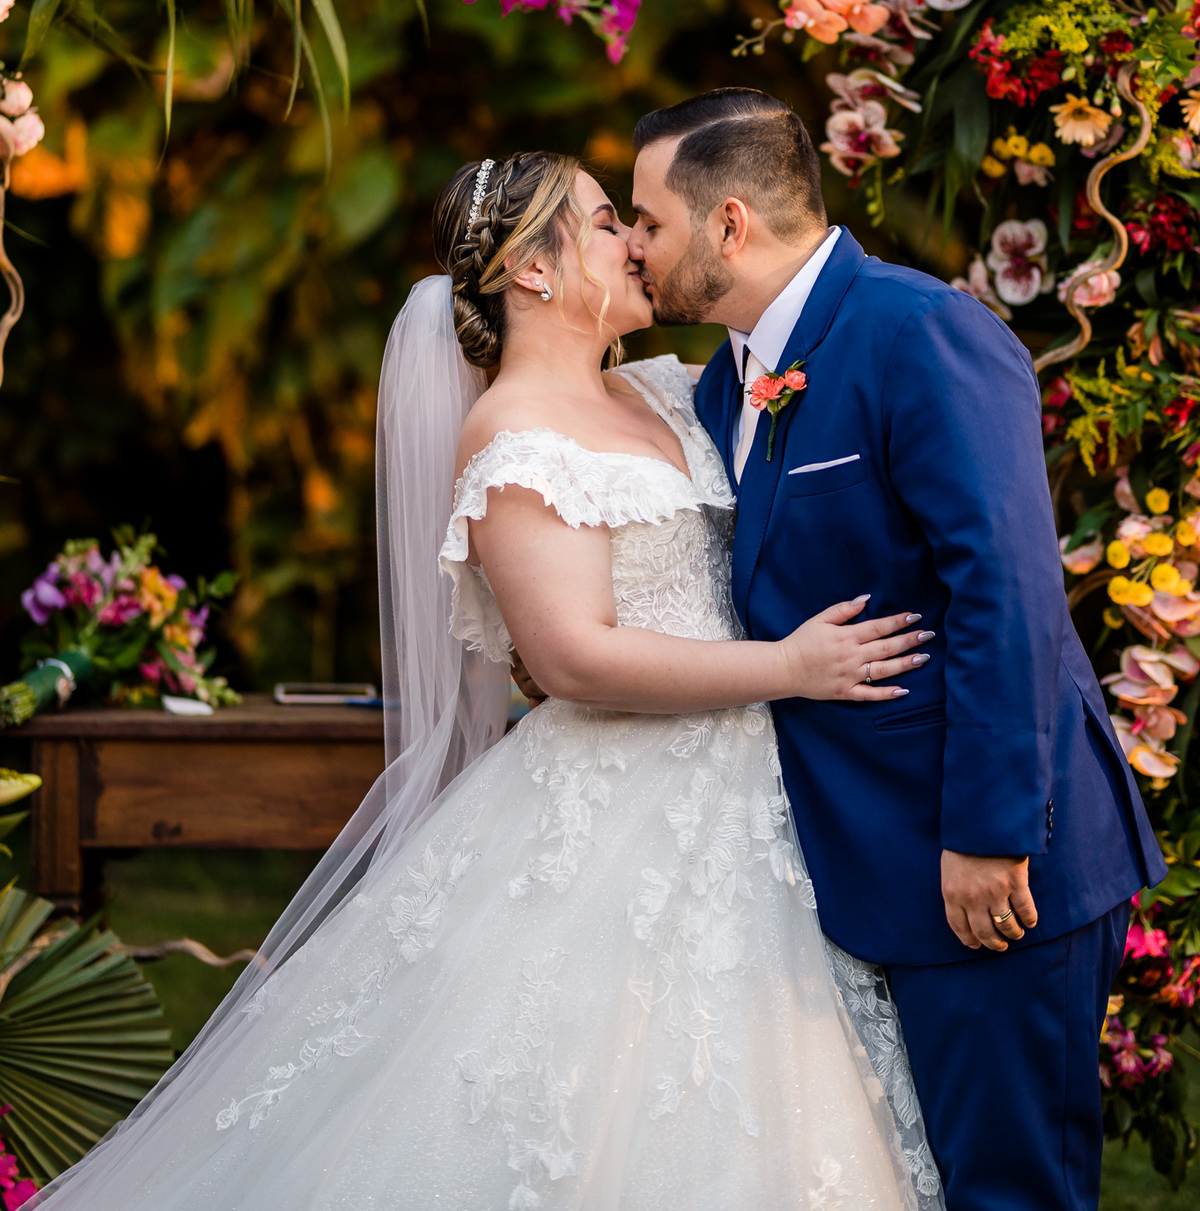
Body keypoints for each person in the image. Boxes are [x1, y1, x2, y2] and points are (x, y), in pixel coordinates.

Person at [32, 149, 942, 1211]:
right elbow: (569, 656)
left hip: (749, 791)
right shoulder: (514, 434)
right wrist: (787, 667)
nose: (638, 242)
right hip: (620, 804)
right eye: (608, 223)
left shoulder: (665, 390)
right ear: (533, 272)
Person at [626, 87, 1167, 1211]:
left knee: (1008, 1192)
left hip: (990, 868)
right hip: (860, 861)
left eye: (648, 221)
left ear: (729, 223)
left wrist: (989, 834)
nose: (635, 248)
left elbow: (1006, 591)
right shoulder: (726, 376)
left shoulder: (921, 332)